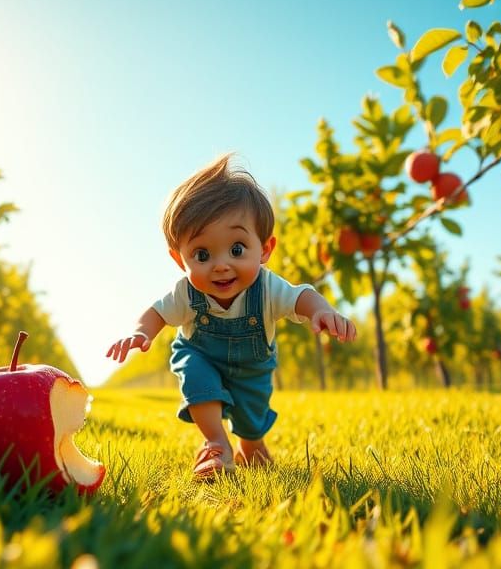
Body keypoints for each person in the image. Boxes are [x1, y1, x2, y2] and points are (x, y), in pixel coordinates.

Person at [106, 154, 357, 480]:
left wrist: (322, 310)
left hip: (252, 367)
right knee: (198, 379)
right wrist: (141, 332)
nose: (221, 265)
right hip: (201, 355)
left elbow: (300, 296)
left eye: (237, 249)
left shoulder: (266, 287)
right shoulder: (185, 292)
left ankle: (250, 446)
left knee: (251, 421)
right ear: (179, 259)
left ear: (265, 249)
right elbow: (157, 312)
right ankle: (216, 445)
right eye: (202, 254)